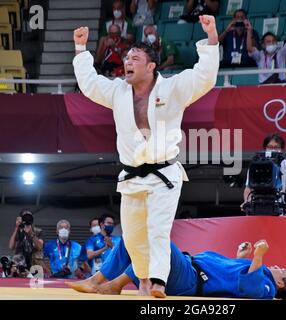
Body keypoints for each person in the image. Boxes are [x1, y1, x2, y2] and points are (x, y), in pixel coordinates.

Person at [72, 15, 219, 297]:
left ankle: (158, 282)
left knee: (157, 231)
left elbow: (204, 77)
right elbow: (89, 84)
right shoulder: (117, 91)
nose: (128, 61)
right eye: (127, 57)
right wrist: (81, 50)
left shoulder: (173, 88)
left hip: (164, 175)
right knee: (135, 237)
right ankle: (142, 281)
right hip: (131, 177)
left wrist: (211, 36)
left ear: (151, 66)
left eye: (135, 58)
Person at [66, 238, 286, 300]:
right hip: (189, 268)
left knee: (158, 242)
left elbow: (251, 289)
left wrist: (259, 256)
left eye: (282, 271)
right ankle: (97, 279)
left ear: (280, 284)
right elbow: (233, 279)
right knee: (132, 234)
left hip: (189, 280)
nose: (278, 267)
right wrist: (241, 256)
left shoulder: (267, 287)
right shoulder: (258, 271)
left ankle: (115, 285)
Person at [242, 133, 286, 216]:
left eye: (276, 147)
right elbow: (248, 188)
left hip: (278, 209)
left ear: (281, 149)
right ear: (265, 148)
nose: (273, 150)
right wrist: (247, 203)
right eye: (270, 147)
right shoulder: (255, 165)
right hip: (257, 208)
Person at [249, 11, 286, 84]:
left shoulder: (281, 53)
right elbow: (250, 49)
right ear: (263, 45)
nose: (271, 43)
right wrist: (249, 31)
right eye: (268, 41)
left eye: (273, 41)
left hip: (280, 85)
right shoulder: (260, 55)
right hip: (265, 87)